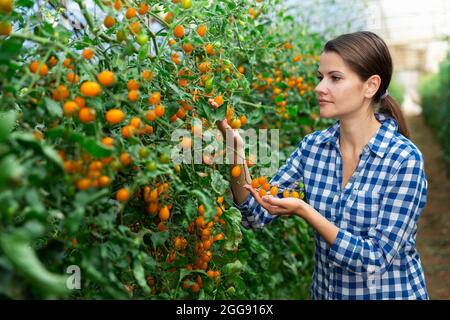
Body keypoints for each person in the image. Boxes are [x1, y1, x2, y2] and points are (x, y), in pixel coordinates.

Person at [216, 31, 429, 300]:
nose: (319, 87)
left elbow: (375, 259)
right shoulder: (314, 148)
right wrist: (235, 151)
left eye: (335, 78)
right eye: (320, 77)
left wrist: (306, 212)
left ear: (370, 86)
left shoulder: (403, 160)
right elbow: (254, 214)